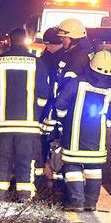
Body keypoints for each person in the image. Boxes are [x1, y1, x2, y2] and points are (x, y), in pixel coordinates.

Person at [0, 28, 52, 202]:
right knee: (25, 161)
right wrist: (36, 113)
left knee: (1, 160)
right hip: (28, 125)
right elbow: (44, 93)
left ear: (9, 40)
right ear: (26, 41)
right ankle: (24, 198)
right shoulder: (37, 62)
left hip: (3, 124)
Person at [55, 50, 111, 212]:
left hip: (74, 138)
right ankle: (91, 203)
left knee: (72, 168)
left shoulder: (77, 83)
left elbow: (60, 105)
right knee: (94, 170)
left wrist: (64, 120)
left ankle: (76, 202)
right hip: (97, 141)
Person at [36, 27, 64, 180]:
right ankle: (47, 178)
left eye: (49, 44)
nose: (47, 47)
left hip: (52, 109)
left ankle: (50, 177)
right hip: (49, 110)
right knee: (47, 144)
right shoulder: (48, 59)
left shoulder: (50, 60)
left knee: (52, 144)